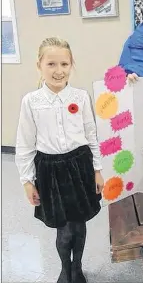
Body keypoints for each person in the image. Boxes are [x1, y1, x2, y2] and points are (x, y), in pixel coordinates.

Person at [15, 37, 104, 283]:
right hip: (50, 170)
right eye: (51, 64)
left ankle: (78, 267)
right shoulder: (31, 102)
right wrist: (27, 181)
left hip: (80, 166)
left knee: (79, 223)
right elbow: (24, 144)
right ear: (39, 65)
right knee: (63, 229)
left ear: (71, 65)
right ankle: (65, 268)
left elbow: (91, 134)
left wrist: (97, 169)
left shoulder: (81, 96)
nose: (58, 71)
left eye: (64, 64)